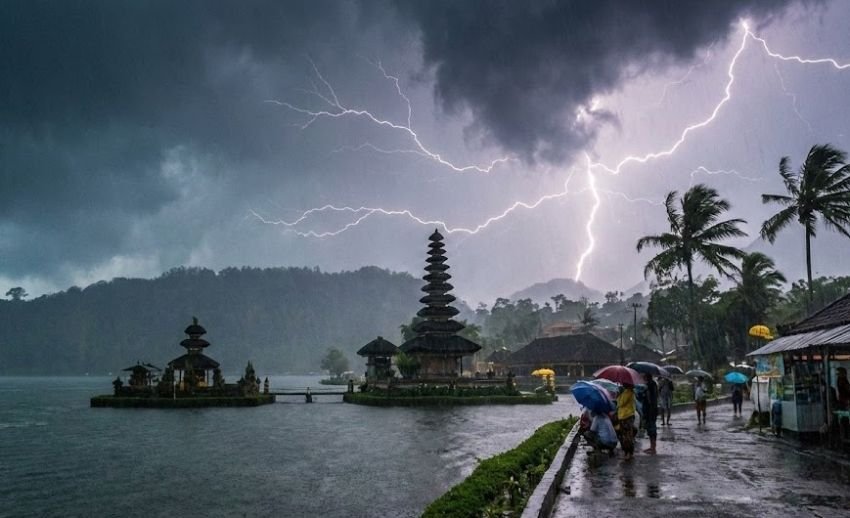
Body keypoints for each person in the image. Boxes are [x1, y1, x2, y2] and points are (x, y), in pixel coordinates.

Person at [616, 383, 637, 460]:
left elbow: (620, 403)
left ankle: (628, 453)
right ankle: (628, 453)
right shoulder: (627, 392)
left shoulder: (628, 392)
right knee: (626, 435)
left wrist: (618, 395)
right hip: (624, 416)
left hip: (626, 416)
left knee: (627, 436)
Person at [643, 373, 659, 454]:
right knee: (651, 429)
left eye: (644, 376)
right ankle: (652, 447)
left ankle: (653, 448)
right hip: (654, 409)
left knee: (651, 429)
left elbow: (649, 399)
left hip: (650, 410)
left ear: (647, 377)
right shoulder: (654, 384)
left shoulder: (649, 385)